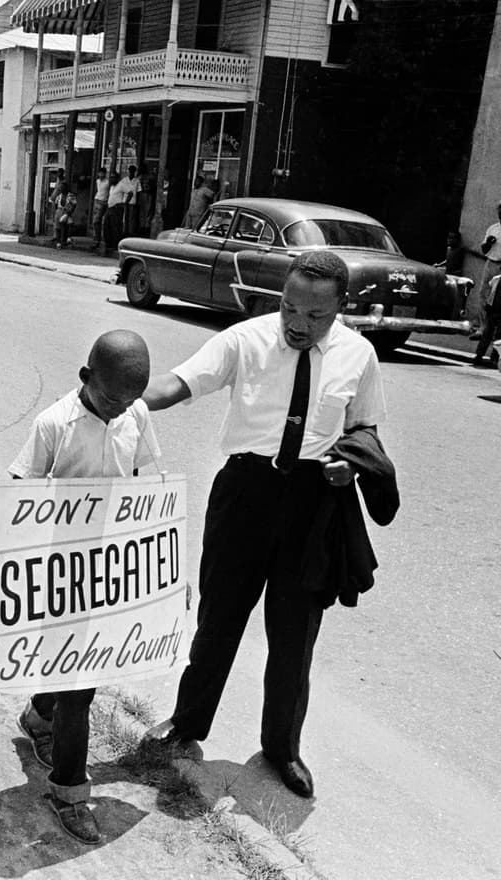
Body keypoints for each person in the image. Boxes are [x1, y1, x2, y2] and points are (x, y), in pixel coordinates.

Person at [141, 250, 395, 800]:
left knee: (294, 638)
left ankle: (282, 748)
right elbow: (178, 384)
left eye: (315, 316)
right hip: (245, 496)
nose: (298, 323)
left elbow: (366, 426)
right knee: (218, 620)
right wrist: (117, 394)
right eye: (289, 308)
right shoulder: (246, 340)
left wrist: (349, 462)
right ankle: (187, 724)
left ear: (341, 309)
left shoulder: (359, 355)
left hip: (313, 507)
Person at [11, 329, 161, 843]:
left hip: (110, 567)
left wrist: (165, 572)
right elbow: (18, 506)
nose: (119, 410)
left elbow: (147, 486)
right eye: (110, 398)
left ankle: (38, 715)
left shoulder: (135, 416)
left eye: (130, 400)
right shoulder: (53, 424)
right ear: (85, 378)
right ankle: (70, 792)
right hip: (58, 569)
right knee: (81, 687)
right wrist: (4, 594)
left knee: (79, 672)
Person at [473, 202, 501, 362]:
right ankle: (483, 328)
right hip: (491, 263)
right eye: (500, 211)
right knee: (485, 295)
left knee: (498, 302)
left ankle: (494, 351)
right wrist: (488, 243)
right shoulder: (493, 229)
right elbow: (483, 250)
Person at [90, 168, 110, 250]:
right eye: (100, 173)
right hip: (97, 200)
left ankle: (99, 239)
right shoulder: (97, 181)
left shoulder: (108, 182)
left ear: (105, 174)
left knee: (97, 220)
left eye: (102, 173)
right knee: (95, 220)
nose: (101, 175)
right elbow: (97, 190)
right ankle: (96, 238)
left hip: (103, 202)